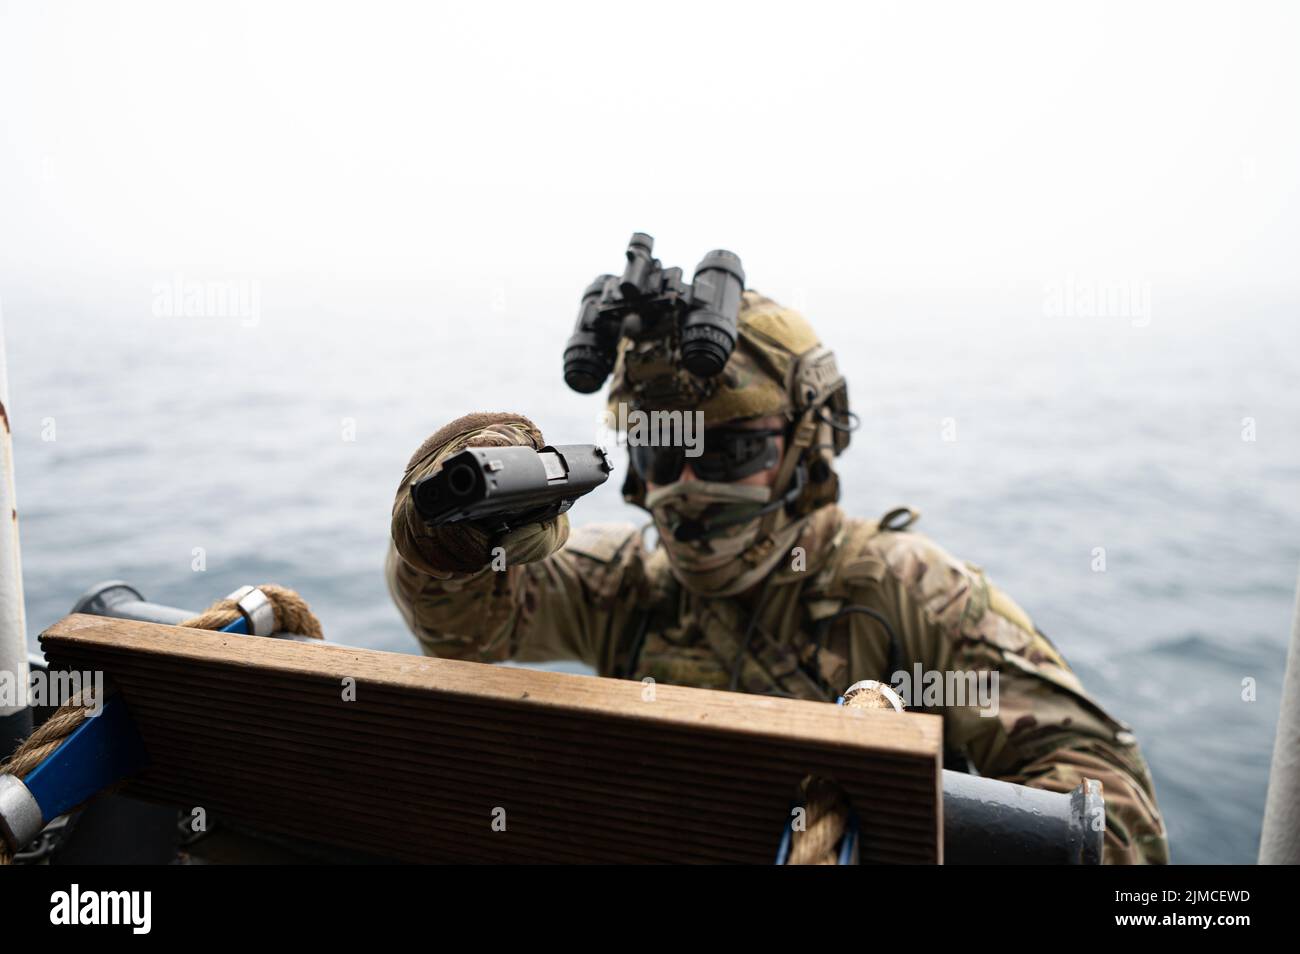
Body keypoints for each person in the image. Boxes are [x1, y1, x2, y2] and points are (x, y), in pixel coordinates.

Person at [386, 290, 1169, 864]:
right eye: (662, 453)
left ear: (808, 445)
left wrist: (898, 826)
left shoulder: (909, 591)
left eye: (730, 454)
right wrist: (448, 540)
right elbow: (465, 627)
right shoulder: (626, 583)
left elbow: (1113, 814)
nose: (688, 484)